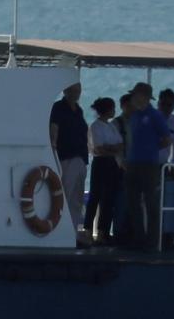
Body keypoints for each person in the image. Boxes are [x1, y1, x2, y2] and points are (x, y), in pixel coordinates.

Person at [122, 84, 171, 250]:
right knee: (132, 202)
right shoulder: (134, 115)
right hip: (133, 163)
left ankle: (152, 241)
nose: (133, 99)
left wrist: (151, 148)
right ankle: (138, 238)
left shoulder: (154, 115)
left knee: (151, 203)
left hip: (149, 165)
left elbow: (166, 139)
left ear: (143, 96)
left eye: (135, 95)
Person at [48, 81, 89, 235]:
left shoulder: (78, 110)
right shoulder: (58, 108)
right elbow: (54, 130)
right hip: (66, 157)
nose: (76, 93)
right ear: (66, 91)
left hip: (80, 158)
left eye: (78, 90)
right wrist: (54, 150)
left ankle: (72, 230)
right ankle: (62, 231)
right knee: (66, 194)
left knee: (77, 198)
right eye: (73, 90)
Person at [86, 96, 123, 244]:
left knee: (108, 199)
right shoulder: (95, 126)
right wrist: (112, 149)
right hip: (101, 163)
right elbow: (99, 149)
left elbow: (120, 145)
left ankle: (104, 231)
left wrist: (110, 149)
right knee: (95, 196)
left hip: (111, 163)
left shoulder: (111, 126)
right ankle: (88, 229)